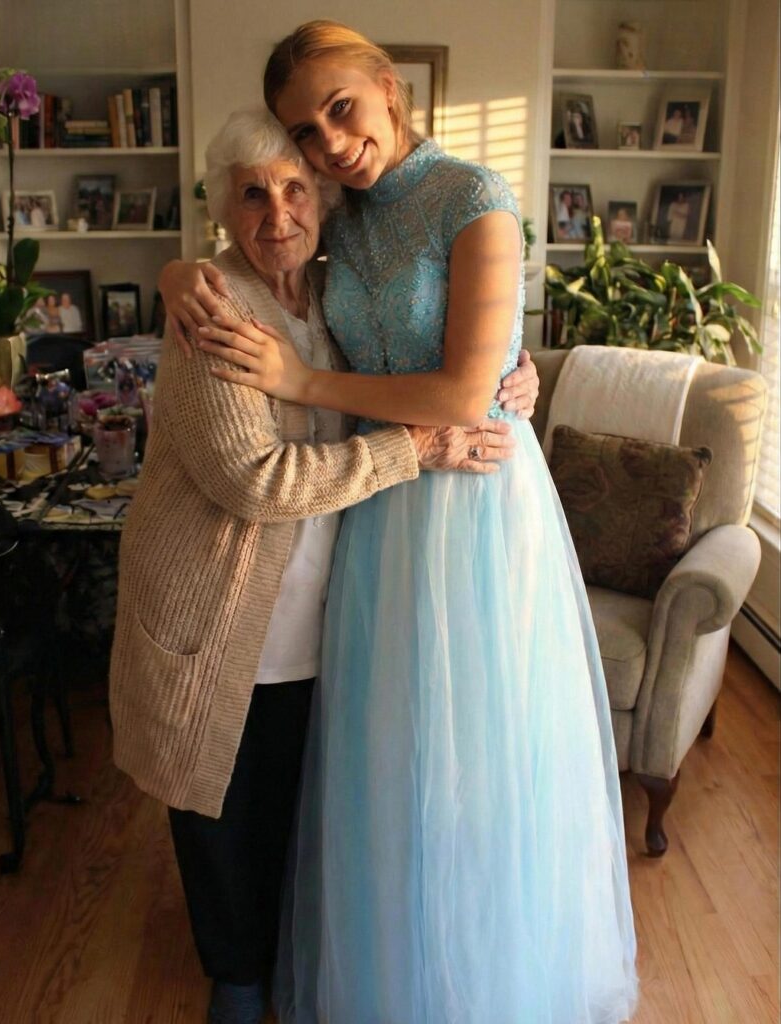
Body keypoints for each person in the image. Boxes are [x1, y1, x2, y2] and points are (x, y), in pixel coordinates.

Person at [168, 20, 639, 1023]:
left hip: (473, 505)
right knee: (383, 761)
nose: (330, 143)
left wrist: (301, 379)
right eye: (307, 130)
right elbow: (255, 250)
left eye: (341, 108)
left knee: (473, 759)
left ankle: (485, 984)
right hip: (374, 509)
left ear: (388, 87)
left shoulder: (475, 197)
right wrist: (179, 275)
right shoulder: (341, 216)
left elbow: (467, 390)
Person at [110, 109, 533, 1024]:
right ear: (221, 208)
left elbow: (408, 343)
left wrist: (511, 367)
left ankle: (280, 964)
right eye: (251, 195)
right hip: (224, 618)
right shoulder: (215, 311)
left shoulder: (330, 295)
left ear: (325, 201)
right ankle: (238, 982)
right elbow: (255, 480)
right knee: (225, 831)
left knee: (293, 817)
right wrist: (414, 449)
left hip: (322, 613)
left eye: (295, 189)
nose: (277, 215)